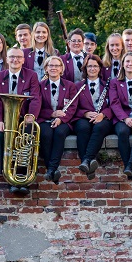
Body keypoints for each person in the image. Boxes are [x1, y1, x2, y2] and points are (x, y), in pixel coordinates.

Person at [0, 47, 41, 193]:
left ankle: (22, 176)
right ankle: (7, 173)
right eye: (12, 57)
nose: (15, 60)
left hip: (25, 118)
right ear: (7, 59)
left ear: (23, 60)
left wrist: (31, 116)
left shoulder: (31, 75)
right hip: (5, 119)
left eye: (19, 57)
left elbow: (35, 98)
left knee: (27, 139)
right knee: (1, 136)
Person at [34, 56, 78, 184]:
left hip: (64, 121)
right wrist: (52, 114)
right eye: (50, 65)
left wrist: (61, 119)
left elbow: (73, 107)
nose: (54, 68)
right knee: (46, 134)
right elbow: (37, 106)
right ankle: (52, 170)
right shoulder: (40, 86)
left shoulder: (70, 86)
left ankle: (51, 169)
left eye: (57, 66)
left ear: (61, 69)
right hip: (45, 119)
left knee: (59, 133)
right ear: (46, 69)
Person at [74, 55, 113, 179]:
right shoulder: (77, 86)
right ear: (85, 68)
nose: (92, 68)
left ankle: (86, 160)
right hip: (84, 118)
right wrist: (85, 113)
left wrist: (103, 114)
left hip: (103, 118)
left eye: (95, 66)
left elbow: (114, 104)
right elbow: (73, 107)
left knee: (99, 128)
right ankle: (89, 163)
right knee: (82, 128)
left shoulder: (108, 85)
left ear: (100, 68)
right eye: (89, 66)